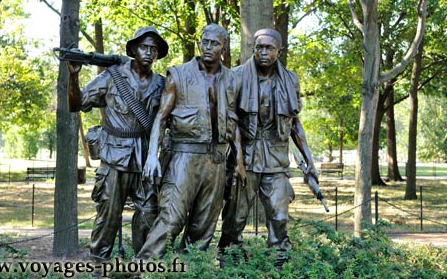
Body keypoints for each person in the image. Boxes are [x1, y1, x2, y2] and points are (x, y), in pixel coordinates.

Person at [136, 23, 245, 261]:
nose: (207, 47)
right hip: (183, 156)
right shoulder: (178, 74)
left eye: (214, 43)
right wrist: (152, 155)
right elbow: (161, 118)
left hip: (216, 159)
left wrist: (239, 161)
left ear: (223, 48)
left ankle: (190, 269)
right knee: (171, 218)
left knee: (203, 226)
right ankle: (141, 269)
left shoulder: (233, 79)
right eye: (204, 42)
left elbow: (233, 122)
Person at [218, 28, 319, 269]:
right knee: (236, 216)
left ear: (278, 51)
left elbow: (295, 124)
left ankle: (279, 264)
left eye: (269, 48)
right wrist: (239, 162)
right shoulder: (237, 76)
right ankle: (229, 262)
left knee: (280, 216)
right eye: (259, 47)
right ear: (254, 49)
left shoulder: (290, 79)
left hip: (276, 157)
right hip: (247, 155)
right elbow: (231, 122)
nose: (263, 52)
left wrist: (309, 161)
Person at [67, 26, 169, 261]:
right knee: (108, 215)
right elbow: (76, 104)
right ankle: (97, 264)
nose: (149, 52)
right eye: (144, 47)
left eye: (154, 49)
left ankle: (143, 266)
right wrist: (73, 76)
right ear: (134, 49)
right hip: (114, 157)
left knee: (148, 214)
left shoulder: (161, 84)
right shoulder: (112, 77)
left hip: (145, 159)